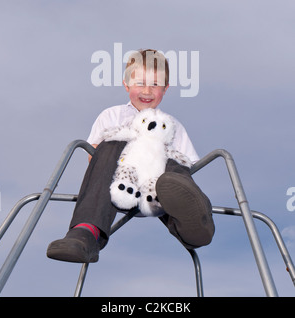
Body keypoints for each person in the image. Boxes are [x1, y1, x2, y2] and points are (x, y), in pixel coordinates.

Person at [47, 49, 215, 263]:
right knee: (111, 144)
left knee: (174, 164)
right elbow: (94, 159)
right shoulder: (112, 115)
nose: (147, 90)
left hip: (158, 194)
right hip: (120, 188)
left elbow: (187, 165)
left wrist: (155, 156)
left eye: (155, 84)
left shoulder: (171, 125)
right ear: (126, 85)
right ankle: (84, 233)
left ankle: (194, 225)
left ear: (165, 88)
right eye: (140, 83)